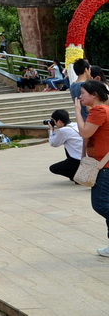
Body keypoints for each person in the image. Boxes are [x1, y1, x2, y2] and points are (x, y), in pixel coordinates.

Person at [74, 80, 109, 256]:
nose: (80, 97)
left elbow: (84, 132)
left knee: (100, 205)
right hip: (103, 164)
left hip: (104, 166)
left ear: (94, 95)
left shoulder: (99, 110)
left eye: (83, 93)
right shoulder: (103, 110)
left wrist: (77, 112)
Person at [46, 109, 83, 181]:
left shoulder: (64, 130)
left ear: (59, 121)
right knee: (66, 145)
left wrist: (51, 130)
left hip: (78, 160)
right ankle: (77, 174)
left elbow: (53, 143)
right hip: (86, 157)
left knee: (53, 168)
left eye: (55, 121)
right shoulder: (76, 125)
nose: (55, 124)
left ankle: (77, 176)